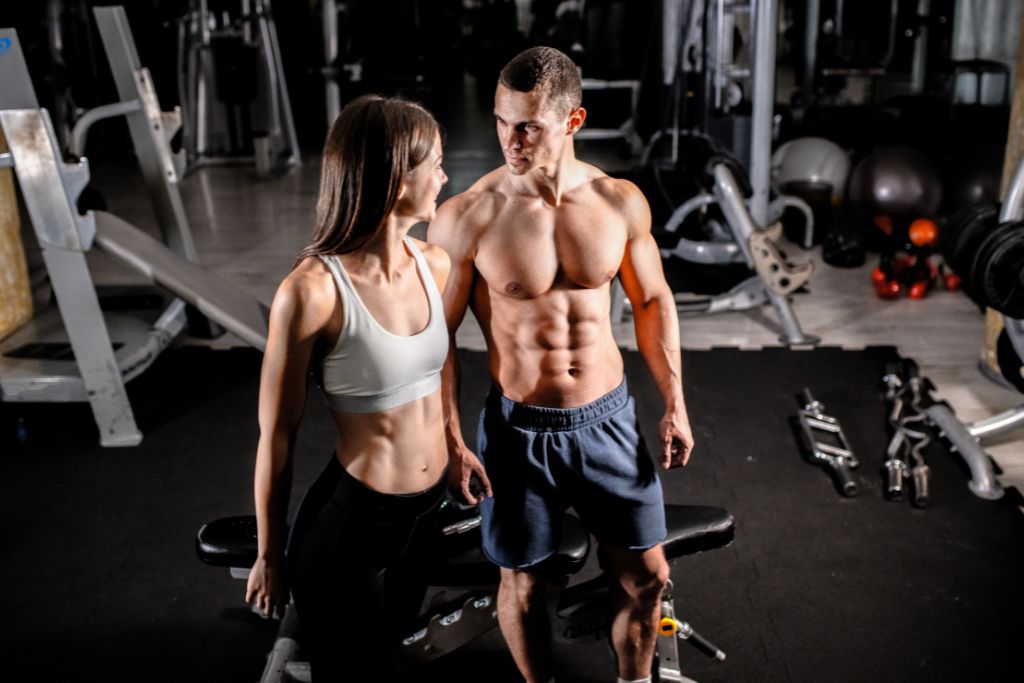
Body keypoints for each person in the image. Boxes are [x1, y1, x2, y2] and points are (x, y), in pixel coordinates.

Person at [427, 46, 694, 683]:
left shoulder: (618, 201)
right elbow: (434, 339)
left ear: (573, 122)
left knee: (647, 575)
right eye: (500, 121)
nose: (509, 141)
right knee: (521, 584)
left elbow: (653, 300)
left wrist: (674, 402)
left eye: (528, 127)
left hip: (609, 421)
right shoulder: (468, 216)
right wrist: (451, 438)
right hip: (519, 430)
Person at [245, 94, 450, 681]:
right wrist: (269, 554)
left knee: (394, 657)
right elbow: (276, 436)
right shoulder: (312, 292)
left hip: (427, 513)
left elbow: (431, 387)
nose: (443, 175)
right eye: (432, 163)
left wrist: (456, 448)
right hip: (354, 524)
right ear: (393, 175)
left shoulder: (434, 264)